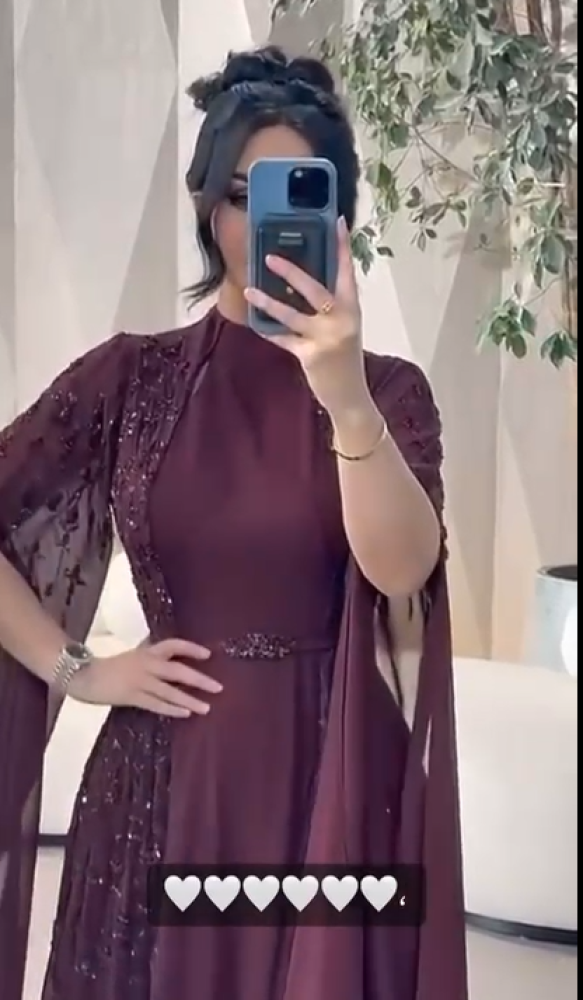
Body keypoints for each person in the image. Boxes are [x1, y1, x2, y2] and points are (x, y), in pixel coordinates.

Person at [0, 45, 467, 1000]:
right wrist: (76, 668)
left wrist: (343, 397)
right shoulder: (132, 376)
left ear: (337, 214)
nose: (267, 221)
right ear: (207, 204)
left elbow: (402, 569)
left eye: (299, 193)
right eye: (244, 194)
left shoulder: (388, 393)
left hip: (335, 785)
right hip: (156, 790)